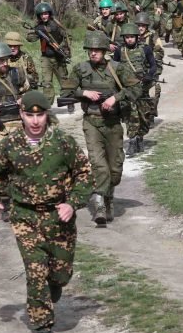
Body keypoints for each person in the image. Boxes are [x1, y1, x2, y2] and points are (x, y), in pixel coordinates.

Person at [0, 90, 94, 333]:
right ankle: (42, 329)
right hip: (25, 218)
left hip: (58, 217)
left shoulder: (63, 143)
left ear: (47, 115)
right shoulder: (9, 145)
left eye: (40, 115)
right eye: (29, 115)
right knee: (35, 274)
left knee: (60, 273)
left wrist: (73, 203)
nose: (34, 121)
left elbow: (84, 174)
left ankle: (55, 284)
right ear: (20, 115)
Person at [60, 32, 141, 225]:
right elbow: (65, 91)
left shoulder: (117, 68)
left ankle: (108, 198)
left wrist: (116, 98)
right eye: (90, 50)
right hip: (92, 123)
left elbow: (137, 89)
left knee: (115, 169)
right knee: (99, 165)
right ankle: (99, 207)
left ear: (105, 51)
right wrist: (83, 93)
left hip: (113, 124)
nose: (93, 53)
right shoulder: (80, 69)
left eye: (97, 50)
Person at [113, 23, 157, 156]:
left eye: (132, 37)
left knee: (143, 114)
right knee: (129, 114)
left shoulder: (146, 49)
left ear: (137, 37)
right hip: (127, 89)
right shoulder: (119, 51)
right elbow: (114, 69)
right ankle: (132, 140)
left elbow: (153, 65)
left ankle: (140, 138)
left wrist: (149, 76)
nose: (129, 39)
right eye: (127, 37)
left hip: (142, 88)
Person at [25, 2, 71, 106]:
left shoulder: (57, 25)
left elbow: (67, 37)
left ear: (49, 14)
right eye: (42, 14)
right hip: (46, 57)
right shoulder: (38, 26)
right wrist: (34, 31)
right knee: (46, 82)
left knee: (64, 80)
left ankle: (69, 101)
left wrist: (62, 48)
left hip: (58, 57)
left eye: (46, 13)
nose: (44, 16)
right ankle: (48, 106)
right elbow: (30, 39)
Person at [135, 12, 165, 121]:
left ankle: (151, 113)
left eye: (143, 26)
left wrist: (151, 59)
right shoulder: (131, 36)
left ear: (147, 26)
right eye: (138, 25)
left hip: (151, 68)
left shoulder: (153, 35)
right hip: (136, 69)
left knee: (153, 93)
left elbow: (160, 51)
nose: (140, 28)